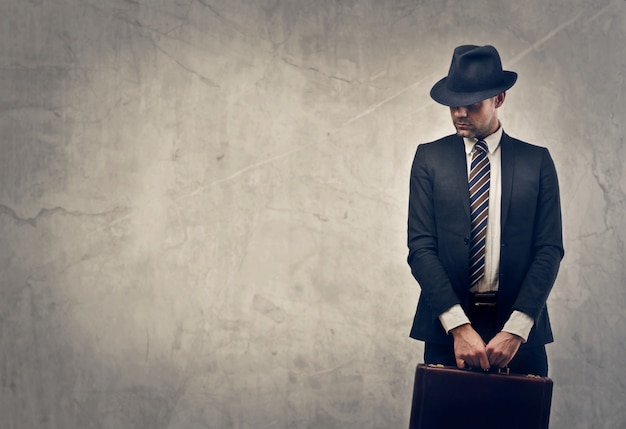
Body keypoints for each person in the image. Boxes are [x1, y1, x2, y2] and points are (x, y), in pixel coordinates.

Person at [406, 45, 564, 377]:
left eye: (472, 104)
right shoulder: (428, 159)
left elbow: (549, 249)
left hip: (520, 336)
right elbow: (421, 249)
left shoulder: (537, 162)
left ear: (499, 99)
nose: (459, 113)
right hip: (447, 333)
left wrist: (517, 329)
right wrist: (458, 328)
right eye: (454, 104)